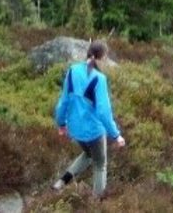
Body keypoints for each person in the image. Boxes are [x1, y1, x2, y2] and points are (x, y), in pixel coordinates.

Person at [52, 40, 126, 196]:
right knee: (100, 165)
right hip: (94, 132)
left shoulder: (72, 71)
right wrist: (116, 135)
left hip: (75, 130)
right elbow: (103, 112)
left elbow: (63, 101)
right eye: (105, 57)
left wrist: (61, 123)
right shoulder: (99, 79)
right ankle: (96, 203)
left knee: (88, 154)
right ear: (101, 58)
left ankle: (62, 181)